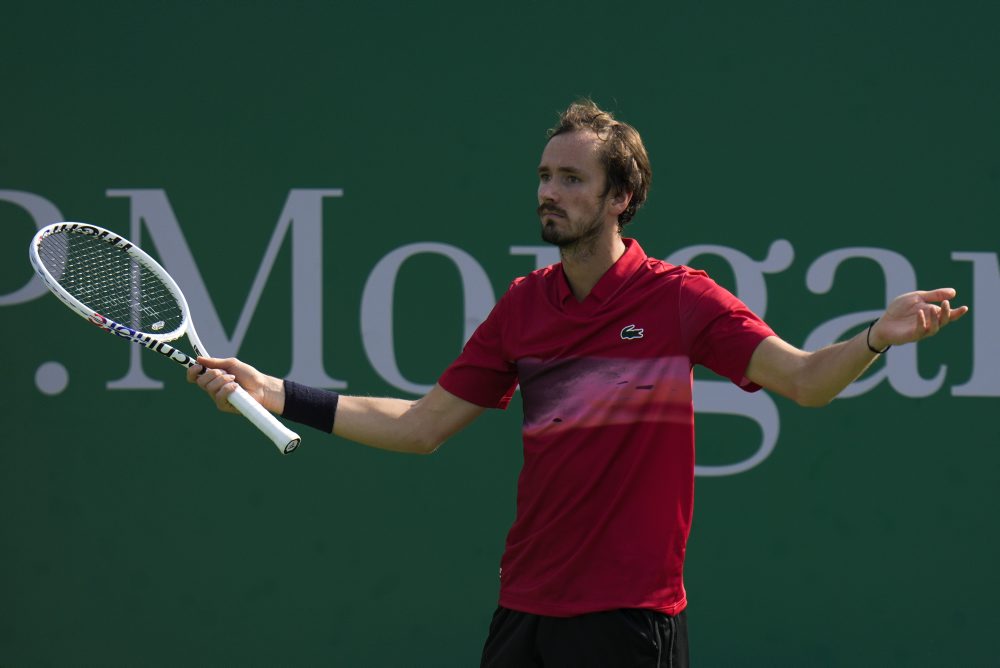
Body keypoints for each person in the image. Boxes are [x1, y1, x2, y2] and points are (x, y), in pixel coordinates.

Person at [188, 100, 967, 667]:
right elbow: (419, 426)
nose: (548, 193)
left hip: (628, 622)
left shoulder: (681, 299)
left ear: (619, 197)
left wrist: (874, 337)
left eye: (570, 178)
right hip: (525, 610)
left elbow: (803, 381)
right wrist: (278, 392)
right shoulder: (524, 308)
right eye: (543, 176)